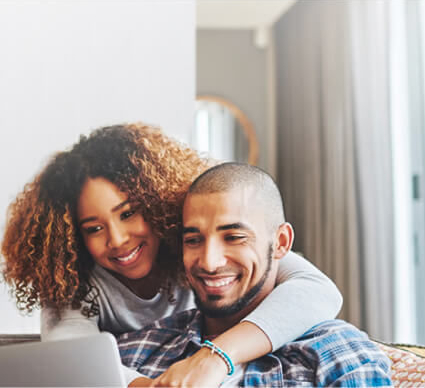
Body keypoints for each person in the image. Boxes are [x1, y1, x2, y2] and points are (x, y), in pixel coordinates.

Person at [0, 123, 343, 387]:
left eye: (128, 213)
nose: (117, 240)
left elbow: (318, 290)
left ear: (157, 204)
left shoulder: (199, 248)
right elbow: (69, 353)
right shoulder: (74, 281)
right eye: (93, 228)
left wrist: (215, 357)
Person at [117, 162, 391, 387]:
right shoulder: (135, 351)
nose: (210, 263)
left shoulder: (338, 355)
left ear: (281, 242)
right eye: (193, 240)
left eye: (234, 237)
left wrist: (215, 357)